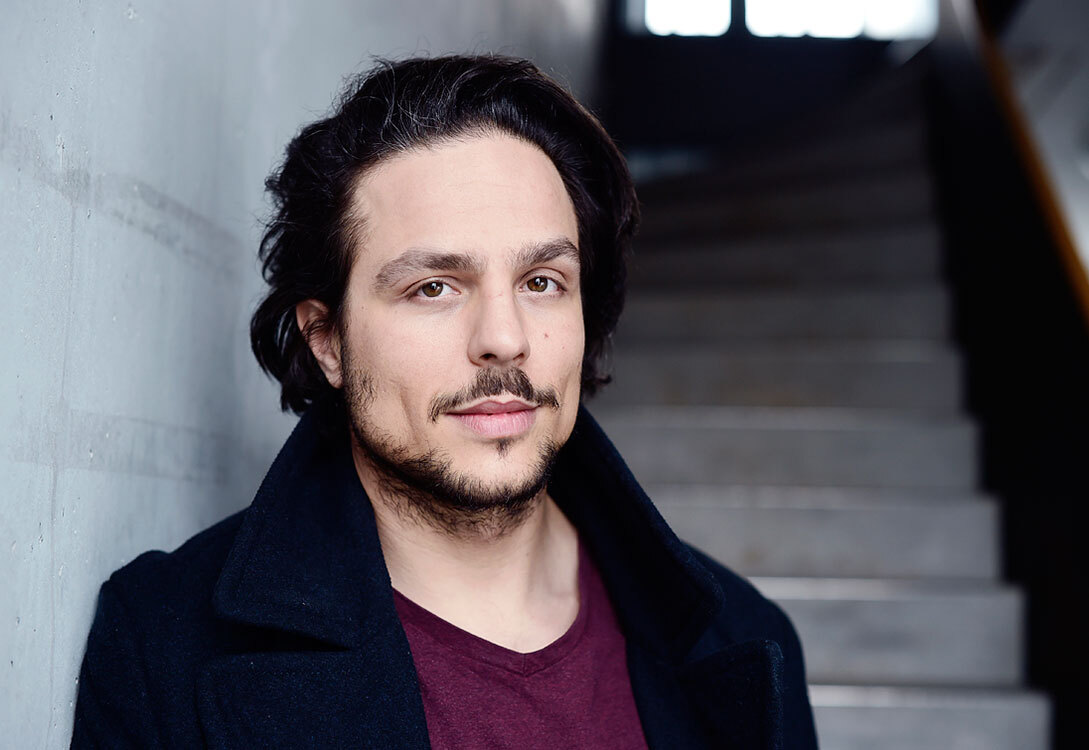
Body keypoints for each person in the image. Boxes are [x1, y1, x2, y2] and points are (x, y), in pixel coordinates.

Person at [71, 54, 817, 749]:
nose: (503, 339)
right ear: (327, 341)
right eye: (433, 288)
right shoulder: (161, 645)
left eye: (542, 282)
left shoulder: (746, 638)